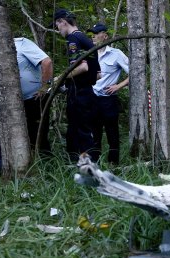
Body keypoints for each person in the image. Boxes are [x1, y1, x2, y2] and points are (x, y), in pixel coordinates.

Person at [53, 9, 100, 162]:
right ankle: (75, 162)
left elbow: (82, 67)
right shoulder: (85, 39)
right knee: (76, 129)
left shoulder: (73, 39)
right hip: (87, 91)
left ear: (63, 22)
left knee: (81, 130)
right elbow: (98, 73)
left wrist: (60, 78)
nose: (57, 29)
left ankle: (89, 167)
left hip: (79, 92)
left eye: (57, 25)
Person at [88, 23, 129, 164]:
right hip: (93, 99)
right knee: (94, 135)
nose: (93, 36)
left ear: (105, 36)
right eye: (91, 33)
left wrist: (119, 85)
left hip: (108, 100)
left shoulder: (116, 54)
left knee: (112, 135)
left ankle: (114, 165)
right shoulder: (89, 53)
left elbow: (135, 71)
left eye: (96, 33)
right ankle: (95, 166)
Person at [14, 37, 53, 156]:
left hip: (35, 98)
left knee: (39, 134)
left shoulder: (21, 43)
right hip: (18, 102)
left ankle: (46, 164)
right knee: (27, 135)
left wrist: (44, 87)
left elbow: (47, 61)